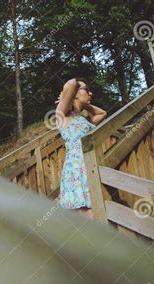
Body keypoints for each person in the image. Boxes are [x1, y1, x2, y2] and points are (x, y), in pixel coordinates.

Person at [54, 78, 107, 219]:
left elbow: (102, 114)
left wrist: (84, 104)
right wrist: (69, 95)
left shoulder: (85, 119)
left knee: (97, 208)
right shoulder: (61, 115)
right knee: (87, 212)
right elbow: (71, 83)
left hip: (91, 164)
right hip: (77, 167)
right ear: (76, 93)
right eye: (86, 89)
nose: (91, 93)